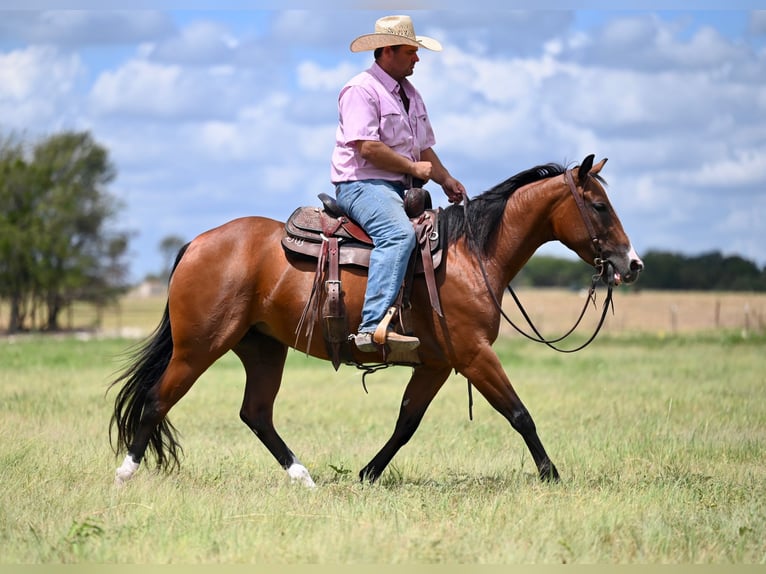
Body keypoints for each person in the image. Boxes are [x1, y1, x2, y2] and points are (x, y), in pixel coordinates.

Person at [331, 14, 466, 353]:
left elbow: (423, 150)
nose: (417, 58)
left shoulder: (411, 95)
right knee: (397, 234)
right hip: (362, 185)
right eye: (410, 52)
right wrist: (412, 167)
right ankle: (371, 327)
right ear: (387, 51)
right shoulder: (360, 90)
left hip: (399, 188)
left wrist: (445, 178)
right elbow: (368, 147)